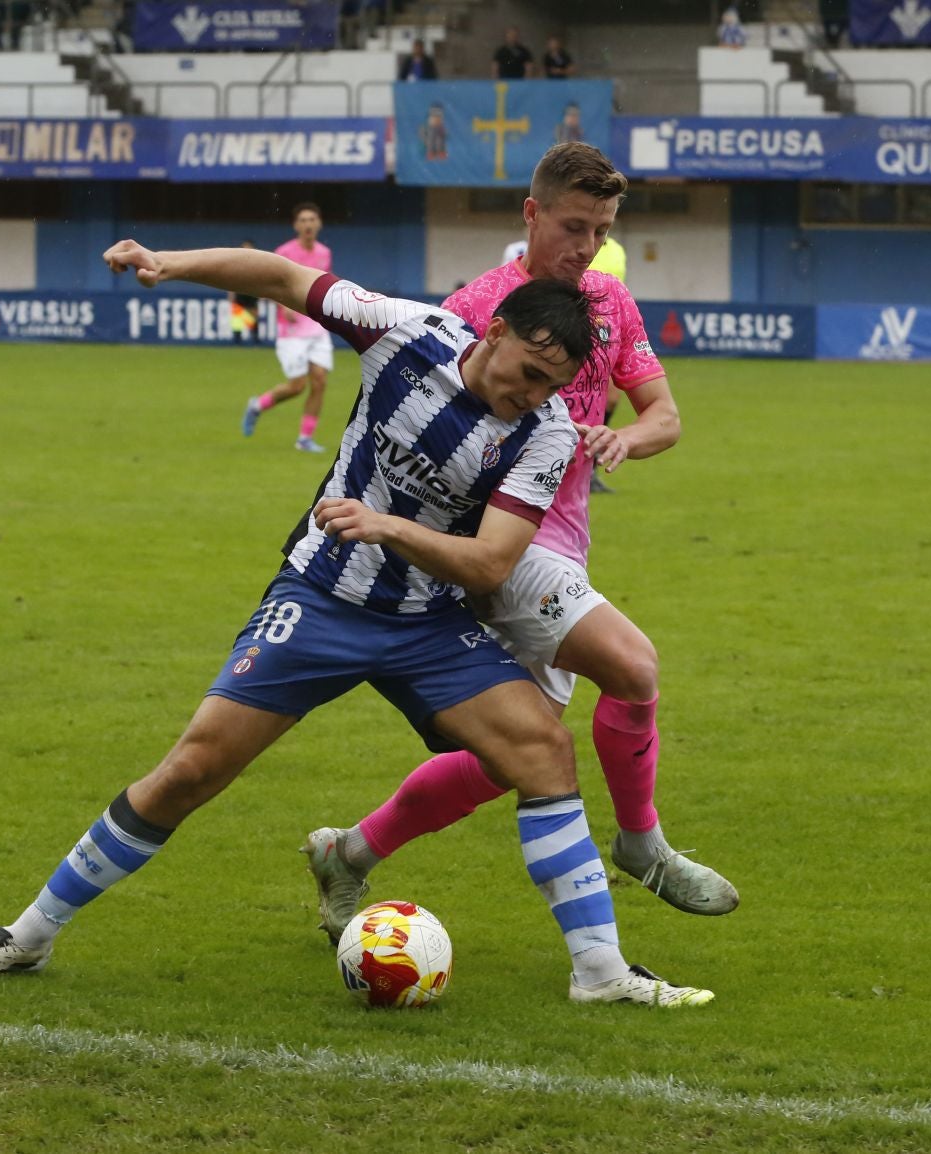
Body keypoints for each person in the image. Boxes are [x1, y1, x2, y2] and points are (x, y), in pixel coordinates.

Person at [0, 240, 716, 1008]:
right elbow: (276, 273)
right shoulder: (404, 331)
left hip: (428, 620)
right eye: (527, 373)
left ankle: (601, 974)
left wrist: (390, 528)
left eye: (552, 386)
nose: (533, 394)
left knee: (543, 751)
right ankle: (28, 935)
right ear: (496, 332)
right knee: (193, 769)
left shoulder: (542, 434)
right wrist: (170, 265)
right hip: (320, 600)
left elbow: (486, 565)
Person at [301, 142, 738, 947]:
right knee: (633, 666)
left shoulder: (609, 304)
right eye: (574, 226)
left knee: (515, 758)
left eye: (602, 231)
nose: (587, 246)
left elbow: (665, 416)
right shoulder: (477, 309)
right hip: (493, 547)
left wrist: (623, 441)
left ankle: (347, 852)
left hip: (561, 546)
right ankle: (641, 847)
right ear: (532, 215)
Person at [243, 203, 334, 453]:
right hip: (291, 330)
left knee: (319, 382)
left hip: (315, 326)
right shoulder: (284, 252)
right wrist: (284, 306)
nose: (308, 224)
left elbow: (322, 285)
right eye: (303, 220)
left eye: (312, 219)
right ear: (296, 225)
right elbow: (269, 284)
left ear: (319, 224)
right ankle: (257, 405)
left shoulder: (324, 253)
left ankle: (304, 439)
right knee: (297, 386)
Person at [586, 233, 629, 494]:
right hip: (575, 327)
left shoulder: (617, 250)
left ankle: (589, 469)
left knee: (611, 398)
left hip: (607, 331)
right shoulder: (578, 244)